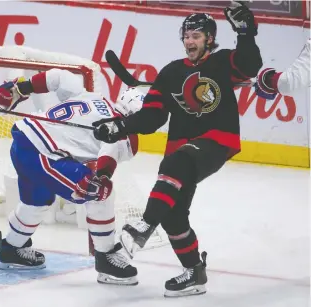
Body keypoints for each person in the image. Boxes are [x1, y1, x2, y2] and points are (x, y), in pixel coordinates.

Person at [92, 2, 262, 297]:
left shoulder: (222, 62)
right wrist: (119, 126)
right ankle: (194, 272)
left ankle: (143, 227)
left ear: (209, 38)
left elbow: (250, 65)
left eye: (196, 35)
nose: (189, 41)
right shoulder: (170, 73)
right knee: (173, 215)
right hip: (181, 151)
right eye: (186, 36)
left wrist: (246, 32)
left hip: (216, 141)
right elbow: (152, 117)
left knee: (179, 161)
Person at [0, 68, 141, 285]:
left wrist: (21, 88)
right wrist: (101, 178)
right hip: (42, 153)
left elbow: (58, 77)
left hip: (23, 138)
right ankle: (106, 258)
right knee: (100, 194)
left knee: (37, 200)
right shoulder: (123, 132)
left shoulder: (93, 97)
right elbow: (109, 152)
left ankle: (12, 248)